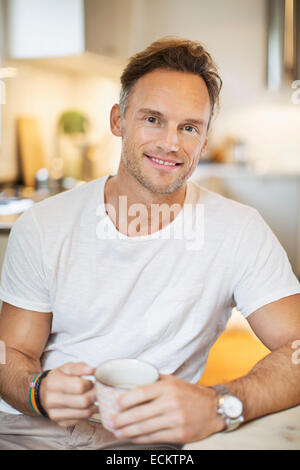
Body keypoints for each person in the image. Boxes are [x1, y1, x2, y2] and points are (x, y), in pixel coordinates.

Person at [0, 37, 299, 451]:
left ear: (205, 139)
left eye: (189, 127)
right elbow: (10, 351)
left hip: (148, 442)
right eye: (153, 119)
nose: (170, 144)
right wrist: (39, 390)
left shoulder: (239, 230)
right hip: (30, 428)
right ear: (118, 121)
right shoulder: (42, 225)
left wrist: (222, 404)